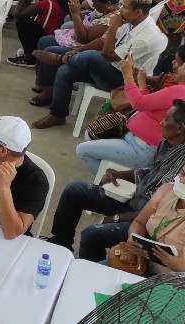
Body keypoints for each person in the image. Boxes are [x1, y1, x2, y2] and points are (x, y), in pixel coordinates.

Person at [44, 100, 185, 259]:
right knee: (74, 191)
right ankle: (60, 244)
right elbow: (149, 172)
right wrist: (118, 174)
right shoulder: (166, 144)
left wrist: (116, 218)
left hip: (148, 222)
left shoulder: (182, 169)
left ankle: (95, 270)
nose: (161, 122)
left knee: (92, 234)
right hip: (132, 201)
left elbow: (159, 213)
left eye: (166, 119)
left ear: (179, 128)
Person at [33, 0, 168, 129]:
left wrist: (113, 26)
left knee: (93, 56)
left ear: (138, 12)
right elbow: (103, 41)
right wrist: (77, 50)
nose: (121, 10)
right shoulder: (131, 21)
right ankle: (57, 114)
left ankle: (60, 59)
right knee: (65, 70)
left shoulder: (146, 37)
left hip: (124, 80)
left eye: (125, 7)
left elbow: (108, 54)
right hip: (110, 67)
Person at [77, 54, 185, 175]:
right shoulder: (179, 89)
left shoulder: (180, 90)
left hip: (142, 148)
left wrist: (127, 75)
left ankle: (105, 184)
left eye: (182, 66)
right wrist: (138, 79)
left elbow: (138, 103)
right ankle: (109, 176)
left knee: (83, 150)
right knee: (90, 135)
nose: (178, 68)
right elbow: (145, 103)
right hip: (137, 141)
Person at [27, 0, 122, 105]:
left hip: (90, 48)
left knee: (50, 49)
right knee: (44, 41)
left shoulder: (112, 19)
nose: (93, 6)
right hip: (80, 42)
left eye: (95, 3)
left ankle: (49, 91)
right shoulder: (104, 11)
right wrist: (76, 10)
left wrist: (76, 13)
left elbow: (84, 39)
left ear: (108, 3)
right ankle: (44, 84)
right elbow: (84, 24)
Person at [121, 164, 185, 273]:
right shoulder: (167, 191)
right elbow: (139, 222)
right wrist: (133, 240)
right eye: (183, 173)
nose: (182, 181)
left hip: (170, 278)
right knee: (94, 235)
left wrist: (180, 269)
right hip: (143, 257)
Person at [9, 0, 72, 68]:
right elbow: (27, 9)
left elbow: (18, 13)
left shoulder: (48, 4)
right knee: (26, 20)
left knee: (22, 21)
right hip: (52, 40)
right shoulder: (59, 4)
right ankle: (31, 54)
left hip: (44, 41)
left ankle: (29, 58)